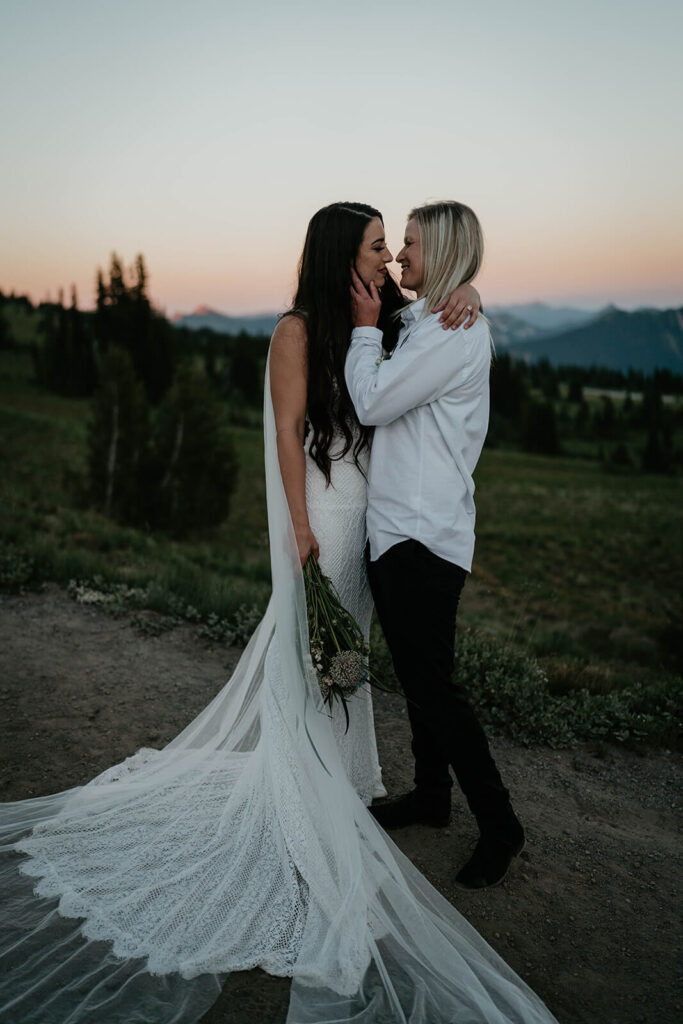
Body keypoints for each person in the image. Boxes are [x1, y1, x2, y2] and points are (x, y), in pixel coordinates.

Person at [0, 202, 557, 1024]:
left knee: (378, 666)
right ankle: (335, 795)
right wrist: (298, 523)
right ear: (345, 255)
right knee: (337, 661)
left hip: (395, 524)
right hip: (337, 518)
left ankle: (420, 798)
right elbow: (290, 431)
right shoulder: (305, 328)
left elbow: (426, 340)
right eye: (378, 244)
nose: (391, 255)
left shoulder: (406, 318)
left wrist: (469, 285)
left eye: (398, 244)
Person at [345, 200, 525, 889]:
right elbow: (386, 299)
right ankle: (430, 797)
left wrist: (365, 335)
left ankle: (501, 824)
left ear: (443, 252)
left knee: (435, 688)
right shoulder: (431, 318)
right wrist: (468, 292)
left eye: (412, 244)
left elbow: (372, 403)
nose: (398, 257)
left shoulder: (448, 334)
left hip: (421, 533)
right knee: (420, 682)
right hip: (402, 526)